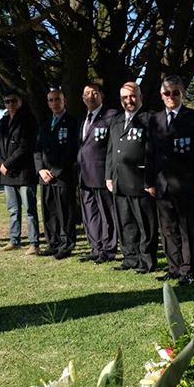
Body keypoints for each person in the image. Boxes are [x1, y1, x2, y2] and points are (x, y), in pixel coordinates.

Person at [147, 76, 194, 282]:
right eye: (167, 93)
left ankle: (188, 271)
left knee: (187, 229)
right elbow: (150, 152)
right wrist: (149, 182)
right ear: (161, 96)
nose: (171, 97)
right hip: (162, 184)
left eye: (175, 92)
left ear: (182, 93)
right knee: (168, 229)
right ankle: (174, 267)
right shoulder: (155, 119)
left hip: (187, 185)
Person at [106, 82, 158, 273]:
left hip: (139, 180)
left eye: (132, 96)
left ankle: (147, 261)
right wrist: (108, 176)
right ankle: (130, 258)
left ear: (140, 97)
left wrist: (150, 179)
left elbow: (153, 152)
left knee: (145, 224)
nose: (129, 100)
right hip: (119, 180)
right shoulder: (117, 120)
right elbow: (111, 151)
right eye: (124, 98)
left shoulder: (150, 118)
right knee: (125, 222)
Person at [0, 90, 40, 255]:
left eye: (13, 101)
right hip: (7, 174)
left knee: (29, 210)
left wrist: (8, 163)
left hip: (24, 172)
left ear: (20, 102)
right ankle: (14, 240)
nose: (10, 104)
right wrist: (1, 165)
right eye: (7, 101)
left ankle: (34, 243)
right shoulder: (2, 122)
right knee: (13, 209)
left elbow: (26, 146)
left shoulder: (28, 120)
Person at [77, 83, 120, 264]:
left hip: (102, 173)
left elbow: (113, 147)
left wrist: (110, 173)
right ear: (83, 97)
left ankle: (108, 250)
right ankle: (96, 248)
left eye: (94, 93)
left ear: (101, 96)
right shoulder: (83, 119)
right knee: (90, 214)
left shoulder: (111, 116)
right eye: (87, 93)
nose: (91, 96)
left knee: (107, 214)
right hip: (84, 174)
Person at [34, 89, 79, 259]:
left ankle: (66, 245)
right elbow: (37, 150)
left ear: (64, 101)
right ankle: (52, 243)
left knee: (64, 213)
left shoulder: (72, 122)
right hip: (45, 177)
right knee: (49, 211)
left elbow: (71, 150)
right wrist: (41, 170)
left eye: (57, 100)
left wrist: (54, 171)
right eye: (51, 100)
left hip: (62, 176)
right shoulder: (45, 123)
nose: (54, 103)